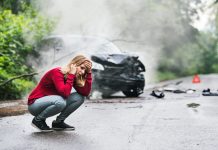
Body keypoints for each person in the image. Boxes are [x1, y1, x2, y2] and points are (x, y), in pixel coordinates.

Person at [28, 55, 92, 132]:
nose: (82, 72)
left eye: (85, 71)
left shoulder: (73, 77)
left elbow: (85, 93)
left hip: (52, 102)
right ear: (74, 65)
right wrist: (71, 75)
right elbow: (64, 93)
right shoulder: (57, 72)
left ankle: (58, 123)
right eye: (82, 68)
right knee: (61, 102)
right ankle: (38, 120)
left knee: (79, 98)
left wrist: (89, 74)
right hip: (35, 105)